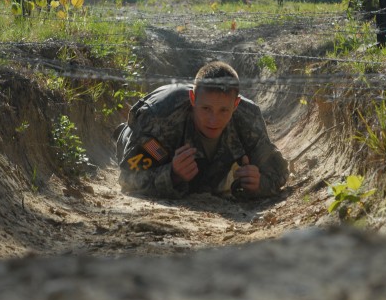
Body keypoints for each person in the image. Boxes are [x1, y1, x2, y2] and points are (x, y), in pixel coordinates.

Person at [115, 61, 289, 199]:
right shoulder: (160, 118)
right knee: (131, 137)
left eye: (223, 110)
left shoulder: (248, 117)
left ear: (236, 104)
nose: (214, 120)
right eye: (206, 109)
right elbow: (127, 178)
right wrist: (172, 175)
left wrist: (260, 184)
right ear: (192, 98)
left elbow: (278, 171)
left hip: (208, 176)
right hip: (138, 136)